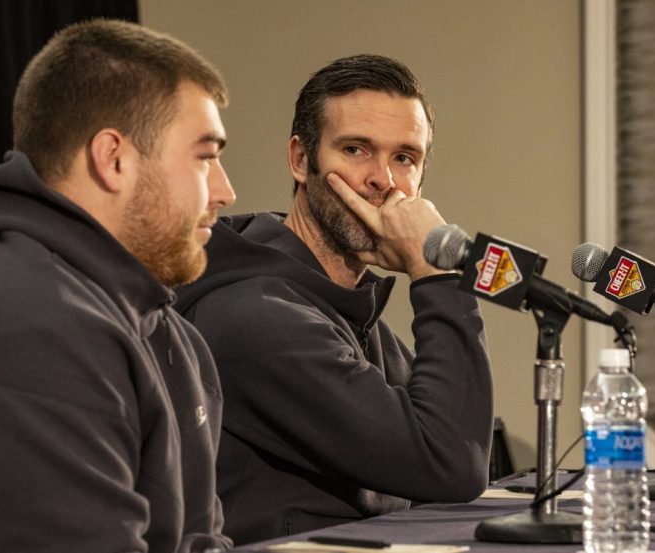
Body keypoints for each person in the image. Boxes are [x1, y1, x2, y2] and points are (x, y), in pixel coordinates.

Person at [0, 19, 236, 552]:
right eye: (206, 156)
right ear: (113, 159)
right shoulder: (20, 319)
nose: (225, 191)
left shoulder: (169, 334)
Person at [175, 54, 494, 545]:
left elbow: (458, 463)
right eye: (356, 149)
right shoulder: (257, 316)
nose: (382, 179)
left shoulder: (352, 314)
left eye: (404, 158)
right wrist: (436, 272)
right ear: (301, 160)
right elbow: (452, 462)